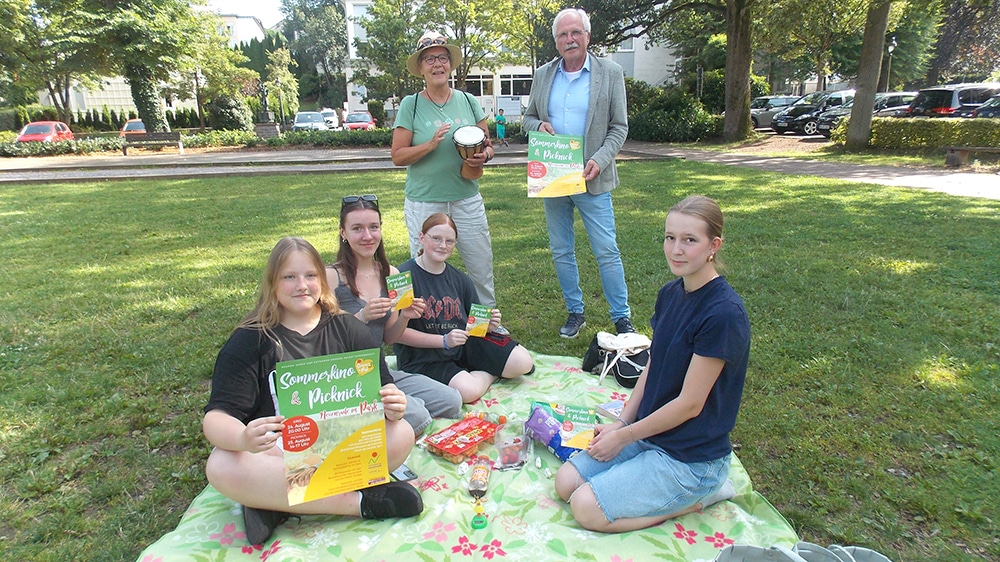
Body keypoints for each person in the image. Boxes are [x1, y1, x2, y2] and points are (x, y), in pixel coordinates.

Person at [203, 237, 423, 546]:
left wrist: (394, 404)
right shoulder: (250, 340)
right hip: (277, 455)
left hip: (343, 449)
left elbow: (383, 387)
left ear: (323, 279)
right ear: (272, 283)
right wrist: (242, 438)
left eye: (310, 275)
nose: (301, 285)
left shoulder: (348, 328)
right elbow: (216, 417)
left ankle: (272, 502)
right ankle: (359, 503)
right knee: (221, 464)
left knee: (401, 434)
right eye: (289, 277)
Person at [553, 195, 749, 533]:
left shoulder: (723, 314)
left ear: (713, 245)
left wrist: (625, 437)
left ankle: (699, 498)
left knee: (586, 508)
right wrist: (621, 425)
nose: (676, 249)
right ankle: (657, 481)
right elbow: (653, 365)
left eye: (690, 240)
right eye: (670, 237)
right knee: (565, 484)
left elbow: (689, 405)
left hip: (690, 458)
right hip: (651, 435)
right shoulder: (670, 294)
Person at [523, 8, 634, 339]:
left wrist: (600, 159)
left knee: (606, 249)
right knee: (561, 249)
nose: (569, 39)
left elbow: (619, 127)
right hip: (553, 176)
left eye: (575, 33)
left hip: (592, 177)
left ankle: (621, 317)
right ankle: (575, 311)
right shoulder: (543, 74)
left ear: (587, 36)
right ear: (556, 41)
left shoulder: (610, 72)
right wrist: (537, 125)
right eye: (562, 35)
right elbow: (528, 118)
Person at [391, 31, 509, 336]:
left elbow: (488, 144)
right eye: (429, 59)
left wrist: (482, 157)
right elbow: (397, 155)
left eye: (442, 57)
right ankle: (422, 330)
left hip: (465, 197)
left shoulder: (468, 101)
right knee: (424, 269)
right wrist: (429, 146)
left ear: (450, 64)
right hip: (424, 201)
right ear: (421, 68)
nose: (437, 64)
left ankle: (485, 328)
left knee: (480, 265)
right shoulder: (411, 105)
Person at [327, 193, 463, 436]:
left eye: (373, 227)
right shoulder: (330, 277)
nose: (367, 236)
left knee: (452, 400)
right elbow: (318, 339)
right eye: (357, 228)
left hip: (378, 370)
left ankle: (384, 410)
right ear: (343, 233)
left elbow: (389, 337)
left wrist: (405, 317)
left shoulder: (391, 273)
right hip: (343, 379)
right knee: (418, 416)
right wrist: (360, 318)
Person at [393, 213, 534, 404]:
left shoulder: (461, 279)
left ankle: (477, 371)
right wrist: (443, 341)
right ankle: (490, 374)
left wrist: (489, 325)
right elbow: (396, 334)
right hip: (422, 357)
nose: (443, 245)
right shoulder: (401, 277)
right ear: (421, 237)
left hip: (462, 347)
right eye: (436, 238)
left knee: (524, 362)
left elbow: (473, 326)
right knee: (467, 392)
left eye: (449, 241)